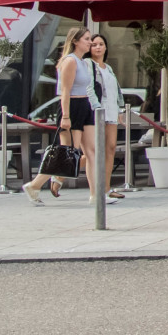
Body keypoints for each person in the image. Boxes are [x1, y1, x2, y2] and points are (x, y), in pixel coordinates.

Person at [22, 27, 104, 205]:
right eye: (87, 39)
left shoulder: (83, 62)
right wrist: (66, 116)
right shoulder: (70, 61)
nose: (90, 42)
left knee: (92, 151)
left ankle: (95, 194)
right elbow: (65, 91)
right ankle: (36, 184)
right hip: (71, 106)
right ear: (75, 41)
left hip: (85, 106)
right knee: (68, 153)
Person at [89, 34, 126, 201]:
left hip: (111, 111)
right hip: (98, 111)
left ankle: (106, 188)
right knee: (95, 151)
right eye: (94, 44)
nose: (98, 47)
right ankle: (59, 174)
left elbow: (116, 90)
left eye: (101, 44)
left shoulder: (108, 68)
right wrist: (96, 107)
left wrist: (120, 110)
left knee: (110, 148)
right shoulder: (88, 65)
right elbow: (89, 89)